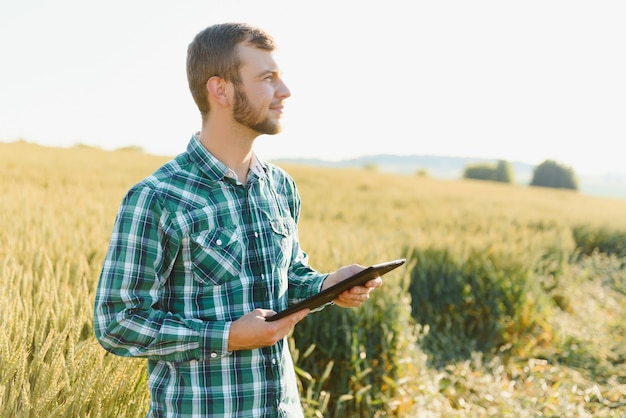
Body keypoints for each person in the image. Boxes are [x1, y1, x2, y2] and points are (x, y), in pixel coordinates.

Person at [93, 22, 382, 417]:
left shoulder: (279, 186)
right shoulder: (159, 198)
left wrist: (329, 285)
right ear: (221, 90)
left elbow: (287, 277)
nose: (285, 91)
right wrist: (227, 336)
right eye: (267, 78)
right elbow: (116, 322)